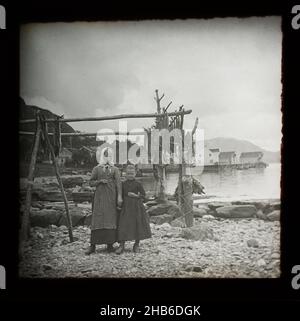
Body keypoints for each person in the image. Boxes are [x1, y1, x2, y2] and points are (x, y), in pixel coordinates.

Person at [85, 147, 122, 255]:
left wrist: (119, 197)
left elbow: (119, 183)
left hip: (111, 196)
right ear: (102, 155)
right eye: (105, 154)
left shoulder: (115, 169)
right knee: (98, 218)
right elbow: (90, 182)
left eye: (109, 155)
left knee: (111, 218)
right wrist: (100, 181)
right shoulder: (96, 168)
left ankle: (110, 244)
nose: (107, 157)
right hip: (100, 197)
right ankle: (93, 245)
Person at [115, 164, 152, 254]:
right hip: (126, 207)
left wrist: (135, 195)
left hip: (136, 206)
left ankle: (136, 244)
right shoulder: (122, 184)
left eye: (132, 174)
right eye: (128, 174)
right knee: (123, 224)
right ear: (125, 174)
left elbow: (144, 196)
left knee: (137, 224)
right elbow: (119, 194)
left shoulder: (138, 184)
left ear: (135, 174)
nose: (130, 175)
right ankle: (122, 244)